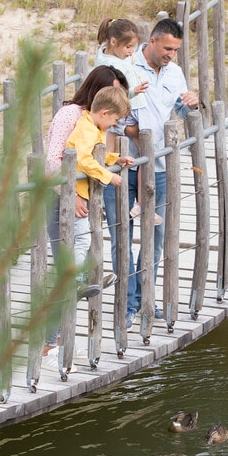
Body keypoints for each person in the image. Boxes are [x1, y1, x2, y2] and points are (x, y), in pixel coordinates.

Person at [103, 18, 200, 331]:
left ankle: (146, 300)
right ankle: (127, 304)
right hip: (122, 164)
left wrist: (192, 103)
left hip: (158, 167)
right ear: (153, 41)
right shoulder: (126, 65)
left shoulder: (174, 72)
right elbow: (106, 113)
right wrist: (131, 131)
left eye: (176, 50)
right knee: (122, 237)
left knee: (155, 238)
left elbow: (182, 114)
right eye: (167, 48)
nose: (171, 54)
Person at [43, 66, 129, 355]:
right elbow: (54, 161)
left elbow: (95, 156)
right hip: (62, 197)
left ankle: (57, 339)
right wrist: (69, 195)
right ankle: (49, 341)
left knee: (75, 264)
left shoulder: (91, 123)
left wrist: (115, 159)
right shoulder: (73, 116)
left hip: (80, 196)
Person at [93, 18, 159, 226]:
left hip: (129, 108)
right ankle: (139, 202)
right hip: (126, 109)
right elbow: (113, 92)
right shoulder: (110, 64)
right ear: (113, 41)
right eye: (128, 47)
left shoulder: (108, 55)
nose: (131, 51)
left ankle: (131, 202)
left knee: (118, 154)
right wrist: (133, 91)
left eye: (133, 47)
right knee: (143, 154)